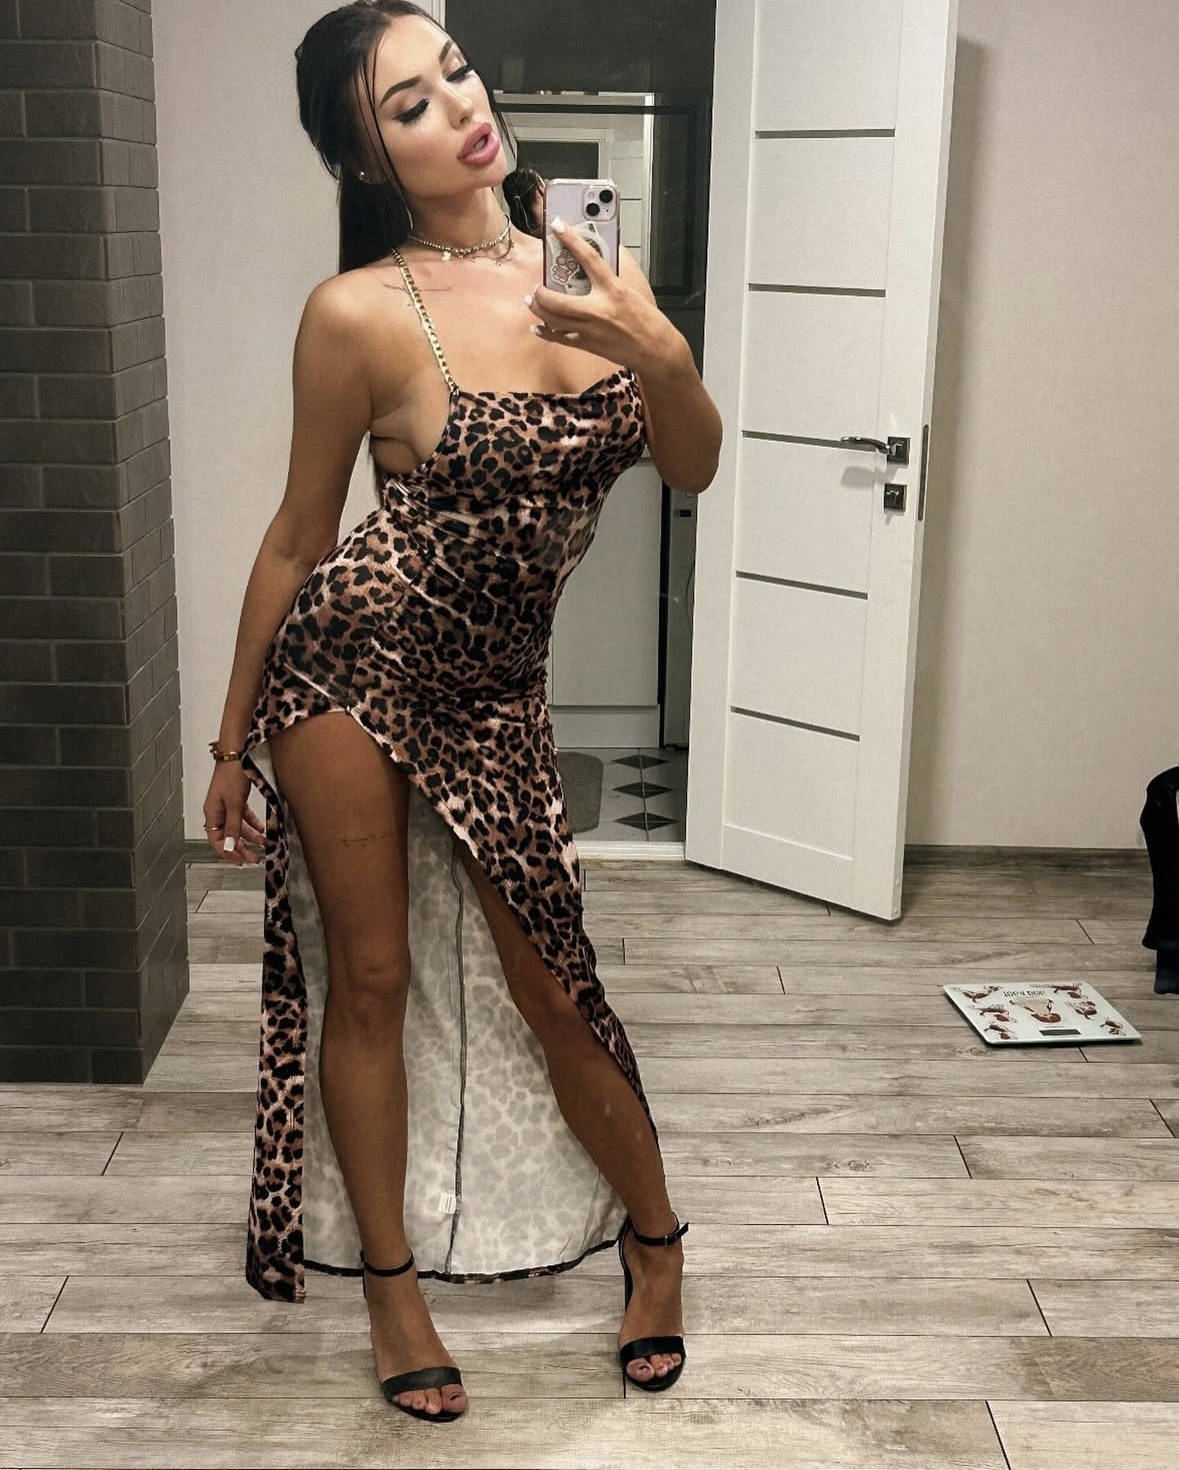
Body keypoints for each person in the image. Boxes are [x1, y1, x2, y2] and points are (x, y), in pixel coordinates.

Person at [200, 0, 721, 1428]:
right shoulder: (358, 312)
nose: (462, 107)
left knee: (556, 982)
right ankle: (393, 1290)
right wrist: (231, 742)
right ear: (365, 159)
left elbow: (690, 462)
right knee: (370, 981)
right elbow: (300, 536)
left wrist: (659, 350)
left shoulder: (584, 258)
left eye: (456, 72)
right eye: (410, 105)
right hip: (351, 666)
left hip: (499, 689)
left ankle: (657, 1245)